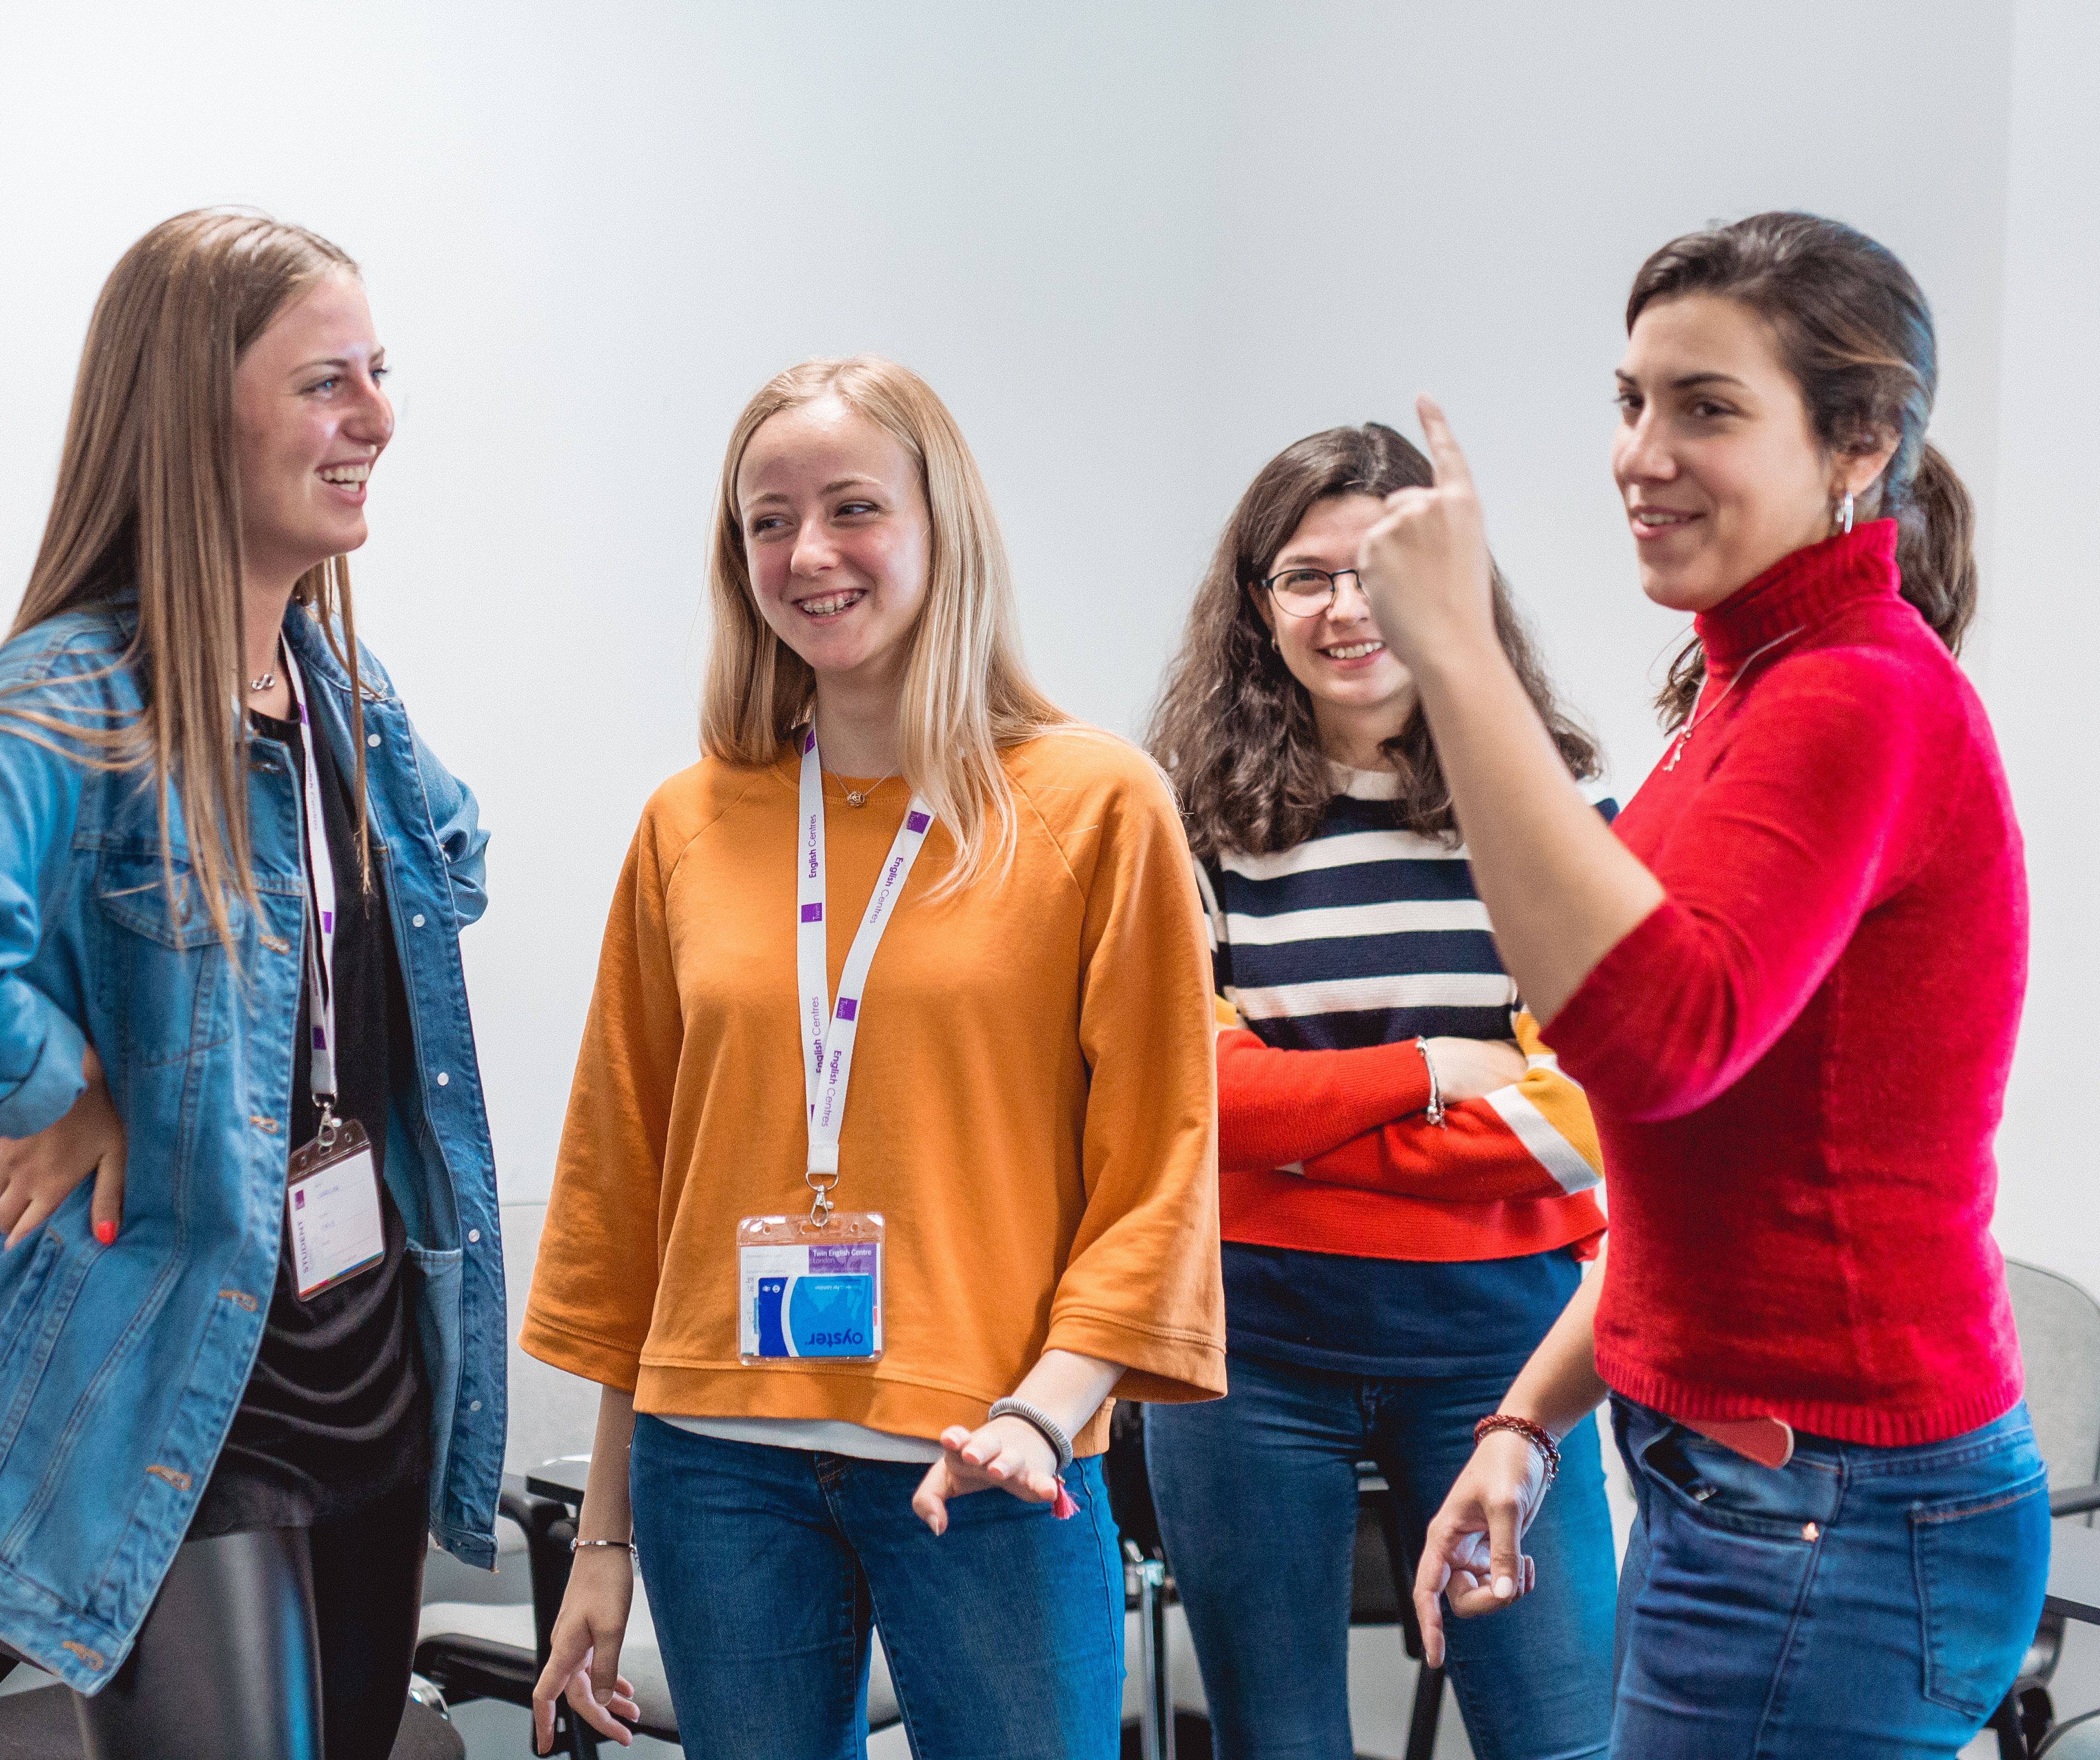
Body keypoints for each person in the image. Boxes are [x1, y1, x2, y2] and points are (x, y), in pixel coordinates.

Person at [0, 210, 506, 1760]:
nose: (377, 418)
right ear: (200, 414)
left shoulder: (338, 686)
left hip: (371, 1367)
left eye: (377, 373)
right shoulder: (77, 694)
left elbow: (451, 872)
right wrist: (57, 1082)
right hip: (187, 1410)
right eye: (328, 380)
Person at [1368, 212, 2043, 1757]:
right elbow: (1703, 1184)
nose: (1639, 453)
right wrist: (1527, 1416)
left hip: (1831, 1507)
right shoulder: (1750, 687)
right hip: (1760, 1483)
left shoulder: (1853, 697)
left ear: (1855, 440)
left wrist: (1457, 657)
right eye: (1629, 400)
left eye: (1705, 407)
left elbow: (1658, 1040)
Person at [520, 355, 1224, 1760]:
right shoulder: (689, 821)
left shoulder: (1092, 803)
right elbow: (627, 1189)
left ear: (940, 527)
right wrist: (605, 1539)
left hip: (989, 1458)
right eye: (767, 521)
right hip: (717, 1469)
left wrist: (1049, 1412)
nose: (808, 553)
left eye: (853, 508)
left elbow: (1162, 1157)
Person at [1140, 423, 1617, 1759]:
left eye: (1385, 569)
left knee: (1563, 1739)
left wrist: (1296, 1134)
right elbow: (1190, 1103)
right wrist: (1428, 1074)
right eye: (1308, 576)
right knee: (1277, 1744)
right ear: (1259, 608)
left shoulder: (1554, 811)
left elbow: (1577, 1121)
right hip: (1248, 1361)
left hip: (1510, 1353)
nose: (1350, 608)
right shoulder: (1185, 830)